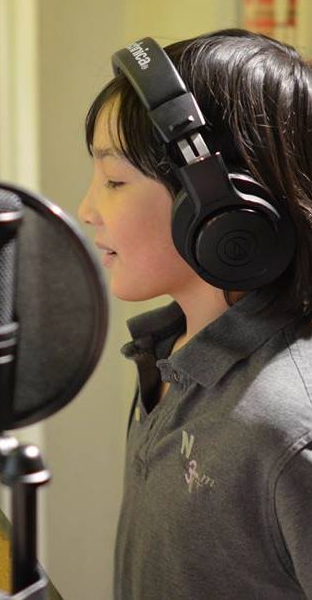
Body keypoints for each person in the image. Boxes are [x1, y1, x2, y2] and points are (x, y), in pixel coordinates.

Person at [78, 29, 312, 599]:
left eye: (114, 181)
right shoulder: (170, 355)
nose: (86, 209)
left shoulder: (288, 425)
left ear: (221, 205)